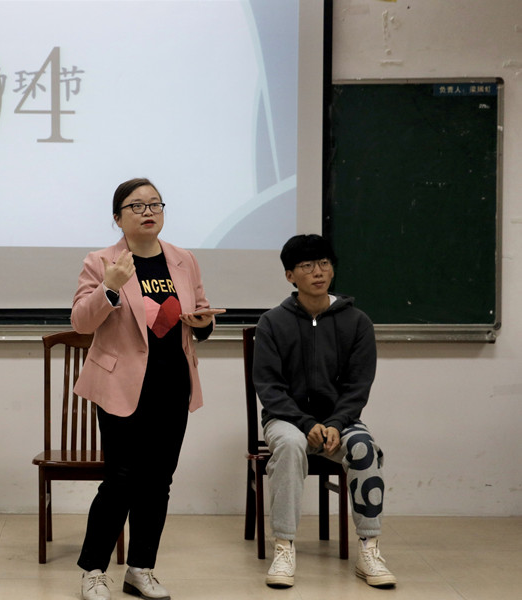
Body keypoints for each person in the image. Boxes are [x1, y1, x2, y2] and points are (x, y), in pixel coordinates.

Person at [71, 178, 223, 600]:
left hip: (172, 382)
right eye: (136, 206)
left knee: (158, 481)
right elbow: (81, 322)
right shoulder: (102, 261)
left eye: (155, 204)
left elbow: (200, 311)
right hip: (120, 385)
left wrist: (204, 323)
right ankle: (93, 570)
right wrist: (110, 287)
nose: (148, 211)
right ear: (117, 218)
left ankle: (140, 569)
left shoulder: (183, 259)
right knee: (120, 479)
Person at [253, 234, 396, 589]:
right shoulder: (272, 322)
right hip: (286, 420)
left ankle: (369, 548)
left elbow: (358, 387)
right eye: (306, 266)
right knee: (290, 445)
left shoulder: (357, 322)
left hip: (341, 421)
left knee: (364, 448)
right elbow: (269, 388)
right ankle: (284, 547)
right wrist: (305, 423)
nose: (318, 272)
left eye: (324, 264)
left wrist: (334, 422)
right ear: (290, 276)